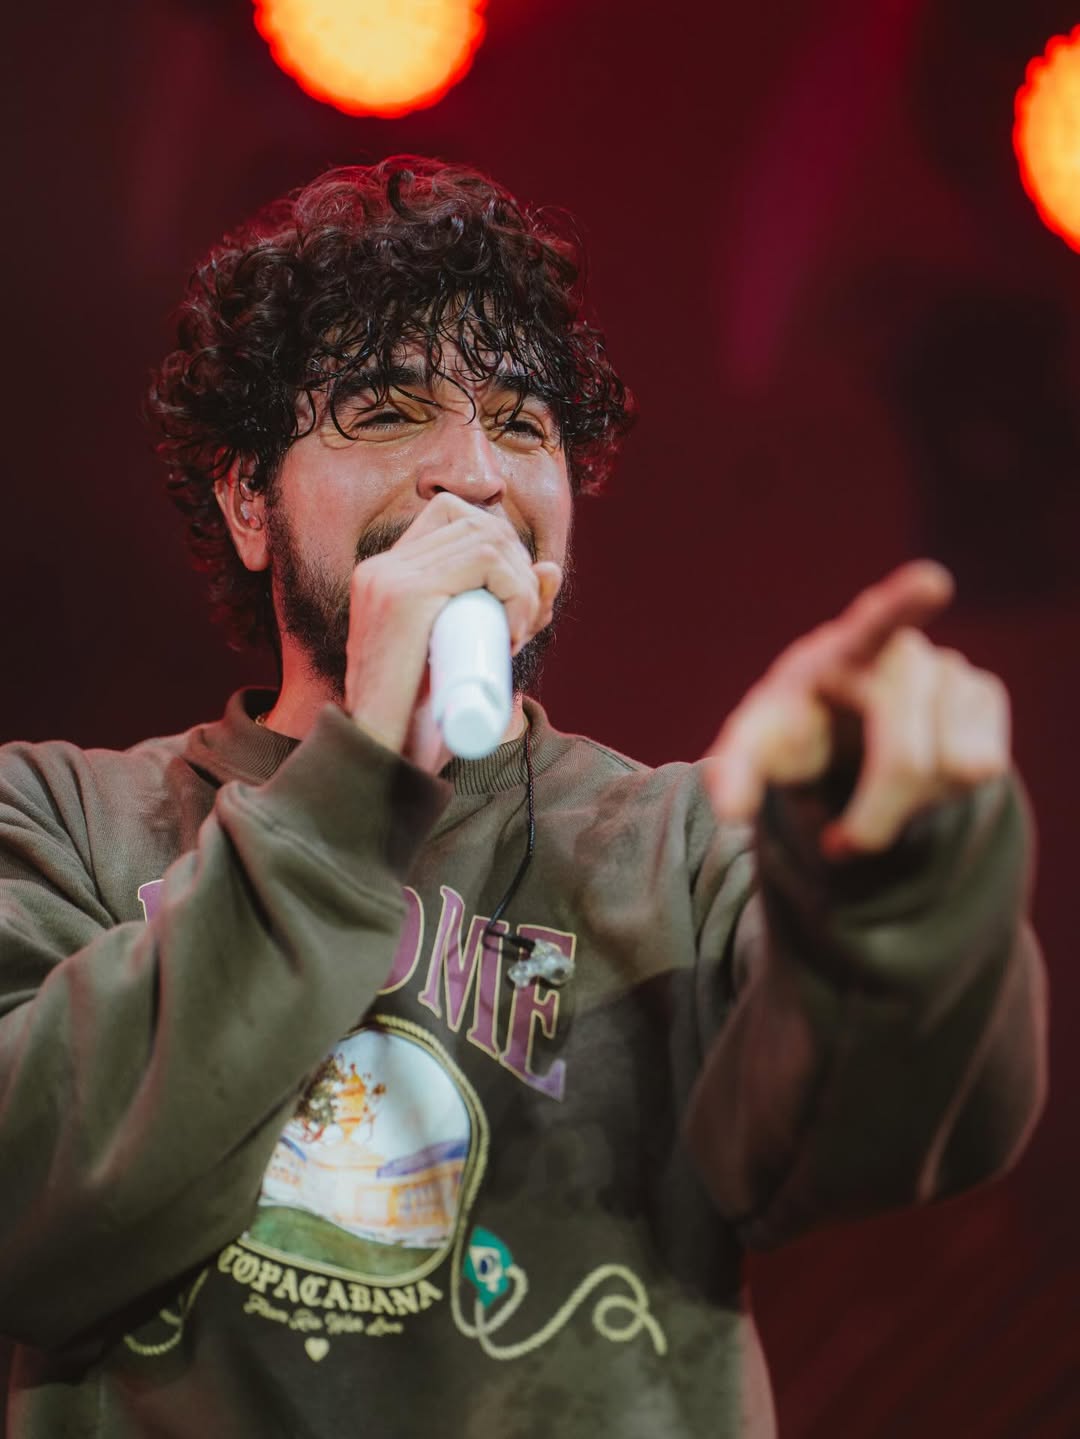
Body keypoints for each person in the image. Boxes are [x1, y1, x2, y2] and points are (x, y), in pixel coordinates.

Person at [0, 157, 1047, 1438]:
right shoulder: (64, 821)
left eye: (520, 422)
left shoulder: (680, 849)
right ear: (247, 501)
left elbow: (898, 1125)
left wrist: (893, 870)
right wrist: (359, 780)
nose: (472, 474)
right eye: (387, 411)